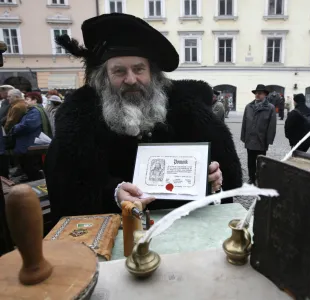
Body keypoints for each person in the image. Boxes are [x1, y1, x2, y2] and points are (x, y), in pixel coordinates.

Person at [44, 13, 242, 223]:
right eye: (119, 71)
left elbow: (230, 176)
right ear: (104, 77)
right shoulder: (80, 115)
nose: (130, 79)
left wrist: (212, 179)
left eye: (139, 69)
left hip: (182, 228)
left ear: (152, 73)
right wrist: (113, 193)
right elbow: (65, 186)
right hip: (115, 231)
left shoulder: (187, 109)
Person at [241, 84, 276, 184]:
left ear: (265, 94)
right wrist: (244, 137)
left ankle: (259, 178)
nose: (257, 95)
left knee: (260, 162)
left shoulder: (270, 108)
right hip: (250, 139)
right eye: (256, 93)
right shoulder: (248, 106)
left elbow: (272, 126)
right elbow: (244, 122)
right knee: (250, 161)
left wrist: (269, 140)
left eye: (260, 93)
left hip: (261, 140)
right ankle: (251, 178)